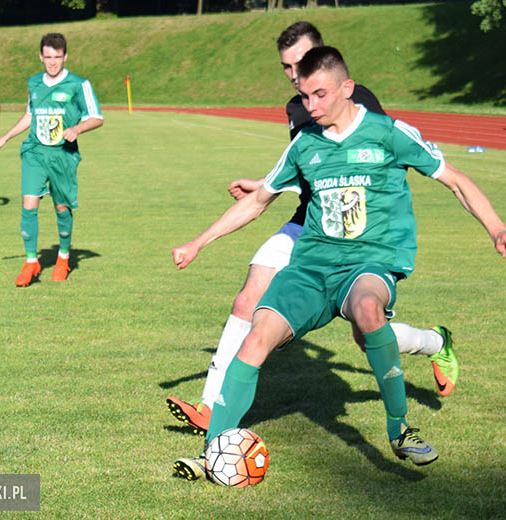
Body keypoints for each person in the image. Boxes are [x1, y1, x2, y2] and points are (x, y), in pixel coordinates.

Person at [171, 46, 506, 480]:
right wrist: (199, 242)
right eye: (304, 97)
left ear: (347, 88)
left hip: (370, 262)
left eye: (319, 95)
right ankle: (213, 452)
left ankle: (399, 430)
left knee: (366, 310)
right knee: (255, 338)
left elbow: (455, 179)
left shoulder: (388, 133)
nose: (311, 106)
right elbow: (258, 201)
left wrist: (498, 229)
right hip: (312, 266)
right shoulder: (305, 145)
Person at [166, 22, 458, 440]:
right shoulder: (296, 106)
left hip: (354, 238)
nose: (292, 74)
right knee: (248, 297)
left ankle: (434, 341)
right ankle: (211, 405)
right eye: (286, 67)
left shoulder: (358, 101)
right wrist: (264, 184)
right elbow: (308, 166)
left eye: (299, 64)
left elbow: (364, 163)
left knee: (366, 333)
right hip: (307, 224)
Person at [0, 33, 103, 287]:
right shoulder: (34, 83)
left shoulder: (78, 84)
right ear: (41, 56)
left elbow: (96, 117)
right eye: (48, 57)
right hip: (35, 152)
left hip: (63, 155)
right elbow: (30, 115)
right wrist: (5, 138)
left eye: (57, 57)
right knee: (28, 204)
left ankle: (63, 258)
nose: (52, 62)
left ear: (65, 57)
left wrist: (78, 129)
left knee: (62, 208)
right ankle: (31, 262)